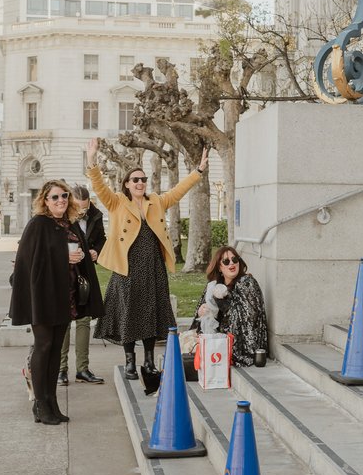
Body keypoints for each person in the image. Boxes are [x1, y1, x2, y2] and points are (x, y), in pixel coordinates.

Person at [85, 138, 208, 385]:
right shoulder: (117, 202)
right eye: (135, 180)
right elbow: (98, 186)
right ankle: (130, 360)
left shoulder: (157, 202)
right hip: (127, 267)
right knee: (129, 313)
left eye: (143, 180)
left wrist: (199, 171)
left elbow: (178, 191)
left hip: (153, 266)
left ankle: (149, 360)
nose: (140, 183)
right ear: (127, 184)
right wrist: (92, 158)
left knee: (151, 313)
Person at [9, 179, 104, 425]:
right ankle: (40, 404)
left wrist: (81, 254)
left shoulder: (69, 224)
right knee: (43, 346)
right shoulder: (38, 224)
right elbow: (30, 260)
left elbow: (78, 252)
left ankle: (51, 402)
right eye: (55, 197)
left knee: (55, 349)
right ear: (45, 201)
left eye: (64, 196)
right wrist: (64, 255)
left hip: (65, 296)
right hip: (43, 296)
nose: (60, 200)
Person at [58, 185, 107, 385]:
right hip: (63, 273)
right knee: (63, 320)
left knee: (84, 319)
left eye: (84, 208)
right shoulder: (61, 218)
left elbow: (102, 240)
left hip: (85, 271)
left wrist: (96, 251)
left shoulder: (95, 215)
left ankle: (82, 369)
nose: (81, 212)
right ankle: (61, 369)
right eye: (78, 208)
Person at [195, 246, 268, 367]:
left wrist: (222, 300)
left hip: (245, 345)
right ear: (219, 267)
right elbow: (202, 315)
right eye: (226, 261)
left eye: (235, 260)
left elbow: (249, 320)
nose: (232, 264)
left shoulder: (247, 282)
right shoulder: (214, 286)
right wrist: (202, 311)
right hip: (220, 339)